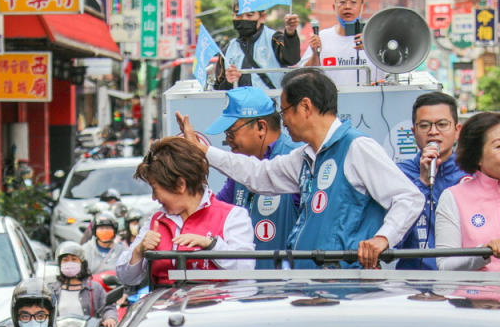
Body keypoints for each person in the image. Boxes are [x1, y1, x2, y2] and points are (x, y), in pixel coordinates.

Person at [176, 68, 423, 269]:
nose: (283, 121)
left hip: (347, 286)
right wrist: (204, 151)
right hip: (311, 284)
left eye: (285, 111)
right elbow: (260, 175)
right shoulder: (304, 157)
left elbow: (408, 198)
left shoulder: (356, 148)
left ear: (305, 107)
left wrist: (383, 238)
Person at [116, 136, 256, 288]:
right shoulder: (156, 221)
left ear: (180, 184)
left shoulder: (233, 217)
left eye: (156, 189)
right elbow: (125, 278)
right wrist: (139, 251)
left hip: (218, 308)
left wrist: (211, 245)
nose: (154, 198)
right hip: (165, 309)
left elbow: (245, 271)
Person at [207, 87, 302, 268]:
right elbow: (216, 212)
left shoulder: (297, 159)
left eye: (231, 132)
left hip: (289, 289)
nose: (228, 140)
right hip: (246, 288)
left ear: (261, 127)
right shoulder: (239, 171)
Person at [396, 92, 465, 269]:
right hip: (412, 282)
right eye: (425, 125)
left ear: (457, 130)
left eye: (442, 124)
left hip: (462, 279)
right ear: (414, 132)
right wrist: (422, 182)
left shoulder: (471, 174)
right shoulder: (397, 174)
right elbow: (393, 238)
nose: (433, 132)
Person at [436, 112, 500, 271]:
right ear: (477, 156)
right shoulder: (453, 197)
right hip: (476, 294)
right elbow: (445, 265)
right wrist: (483, 252)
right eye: (499, 146)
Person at [303, 0, 384, 86]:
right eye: (342, 2)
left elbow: (392, 67)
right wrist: (315, 54)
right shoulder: (322, 37)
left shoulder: (375, 38)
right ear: (334, 7)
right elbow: (304, 76)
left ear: (362, 7)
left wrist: (370, 47)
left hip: (370, 99)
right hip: (332, 100)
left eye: (353, 2)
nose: (347, 7)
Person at [218, 2, 301, 90]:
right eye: (238, 15)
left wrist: (290, 33)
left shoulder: (274, 39)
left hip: (272, 101)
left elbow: (291, 58)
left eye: (249, 15)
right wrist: (228, 82)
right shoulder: (228, 49)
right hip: (238, 102)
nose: (243, 19)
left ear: (262, 17)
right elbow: (217, 88)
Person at [50, 242, 117, 327]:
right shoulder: (52, 290)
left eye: (74, 259)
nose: (70, 263)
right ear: (60, 264)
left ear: (82, 263)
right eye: (65, 260)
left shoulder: (95, 288)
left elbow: (108, 307)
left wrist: (110, 318)